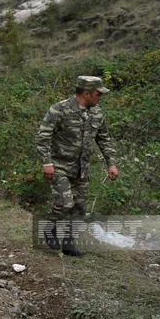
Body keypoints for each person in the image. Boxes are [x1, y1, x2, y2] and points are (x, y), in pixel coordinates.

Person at [35, 76, 118, 257]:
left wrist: (111, 163)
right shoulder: (59, 110)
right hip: (59, 166)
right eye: (98, 94)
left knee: (79, 208)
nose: (100, 97)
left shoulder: (97, 113)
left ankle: (68, 244)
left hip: (82, 169)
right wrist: (47, 162)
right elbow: (43, 137)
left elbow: (104, 139)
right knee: (65, 203)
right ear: (86, 93)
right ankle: (49, 228)